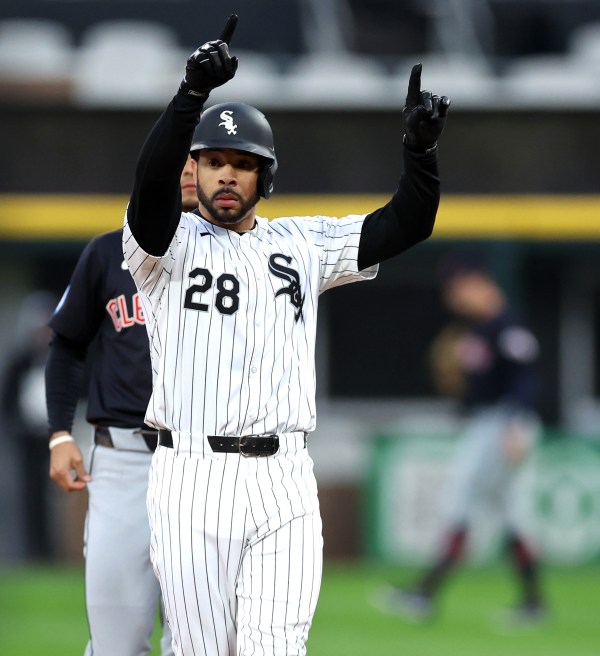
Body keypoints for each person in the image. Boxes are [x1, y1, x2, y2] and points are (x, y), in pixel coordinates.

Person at [123, 13, 449, 656]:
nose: (225, 175)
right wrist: (189, 98)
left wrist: (420, 154)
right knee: (199, 650)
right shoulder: (161, 245)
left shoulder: (300, 241)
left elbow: (404, 224)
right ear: (195, 172)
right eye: (212, 162)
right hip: (189, 476)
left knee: (276, 646)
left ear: (262, 177)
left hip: (284, 480)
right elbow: (150, 186)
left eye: (241, 165)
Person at [44, 155, 198, 656]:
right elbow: (66, 344)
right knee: (115, 644)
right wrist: (60, 433)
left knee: (205, 641)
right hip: (124, 457)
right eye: (183, 159)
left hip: (205, 462)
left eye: (207, 160)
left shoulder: (238, 259)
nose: (193, 170)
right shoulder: (109, 253)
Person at [379, 253, 547, 625]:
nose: (452, 294)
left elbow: (527, 378)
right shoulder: (480, 328)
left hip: (503, 424)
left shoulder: (506, 325)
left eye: (457, 285)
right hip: (493, 421)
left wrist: (516, 423)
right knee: (513, 513)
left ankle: (424, 593)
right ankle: (534, 604)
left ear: (479, 282)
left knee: (461, 502)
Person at [1, 291, 56, 560]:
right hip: (28, 440)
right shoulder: (19, 362)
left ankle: (60, 549)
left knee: (57, 498)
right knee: (30, 495)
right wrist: (21, 427)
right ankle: (34, 550)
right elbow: (8, 404)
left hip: (55, 436)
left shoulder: (61, 358)